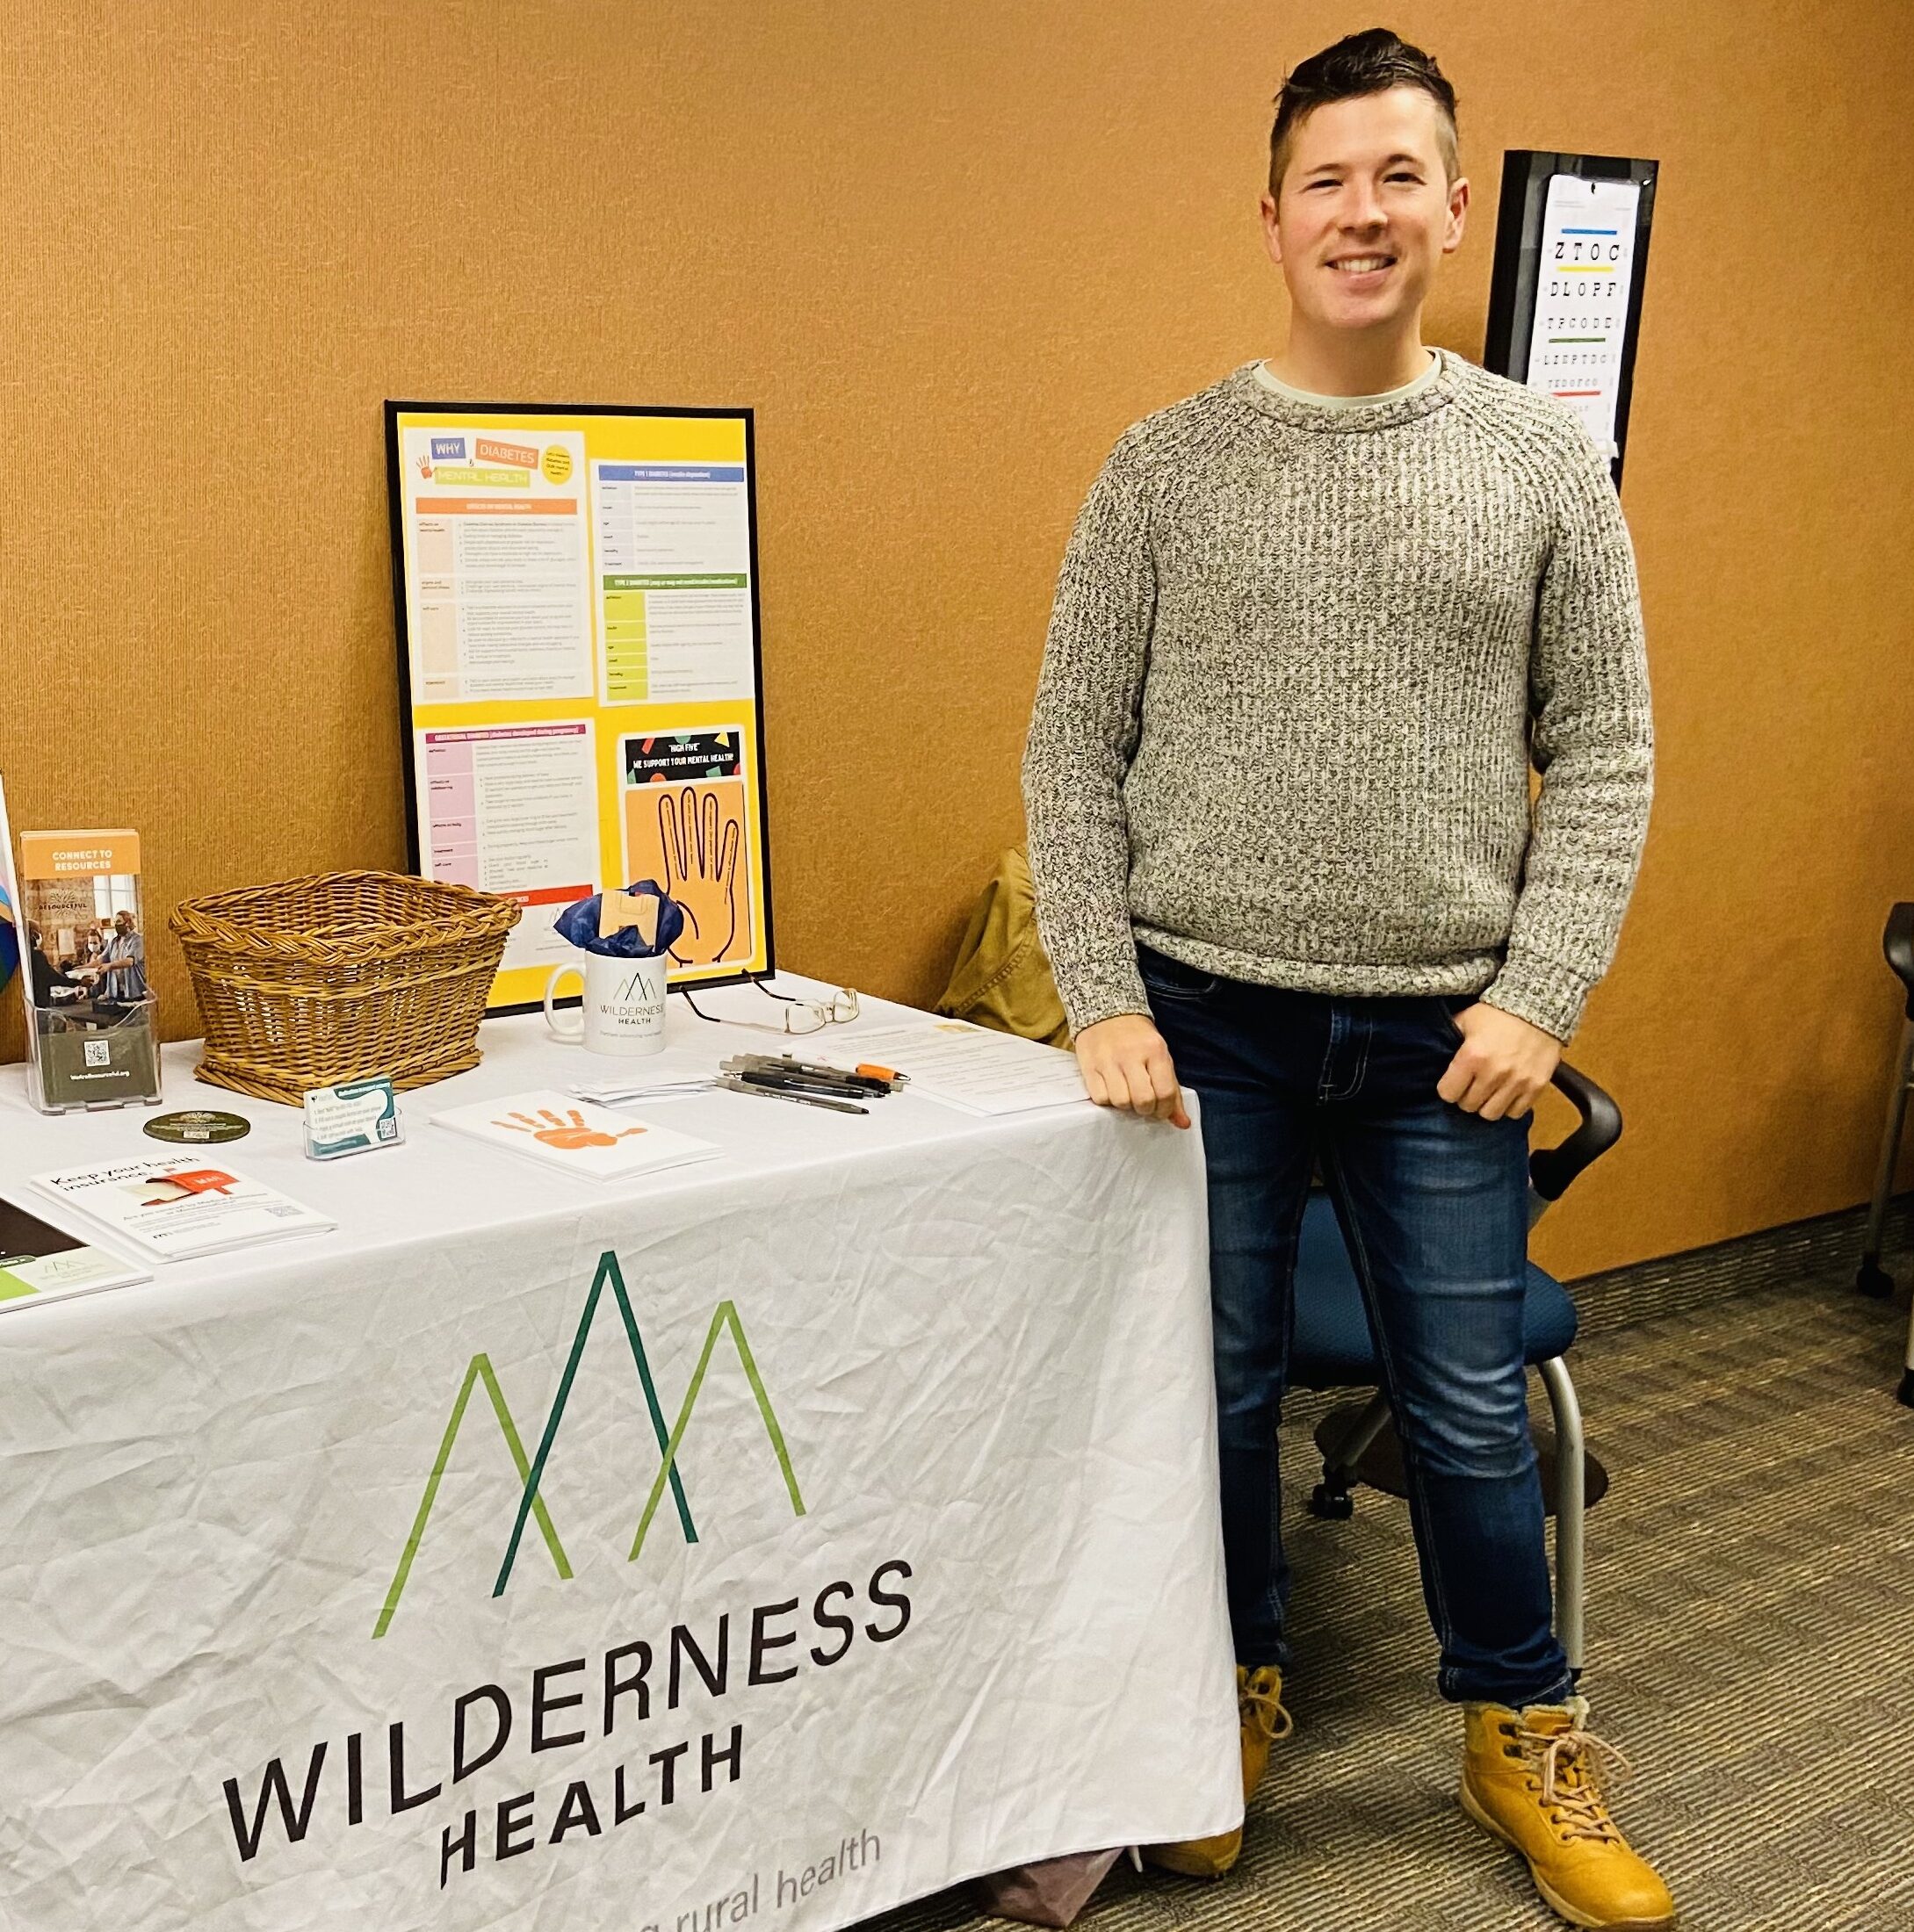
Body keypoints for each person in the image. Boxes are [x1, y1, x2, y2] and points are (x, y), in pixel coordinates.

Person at [1021, 29, 1668, 1931]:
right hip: (1197, 1019)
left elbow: (1608, 749)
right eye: (1329, 179)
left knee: (1461, 1403)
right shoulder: (1162, 466)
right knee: (1204, 1391)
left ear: (1454, 210)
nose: (1363, 212)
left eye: (1401, 177)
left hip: (1439, 1037)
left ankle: (1521, 1725)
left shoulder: (1542, 464)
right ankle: (1219, 1690)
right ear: (1272, 213)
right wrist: (1096, 988)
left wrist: (1539, 991)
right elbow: (1071, 746)